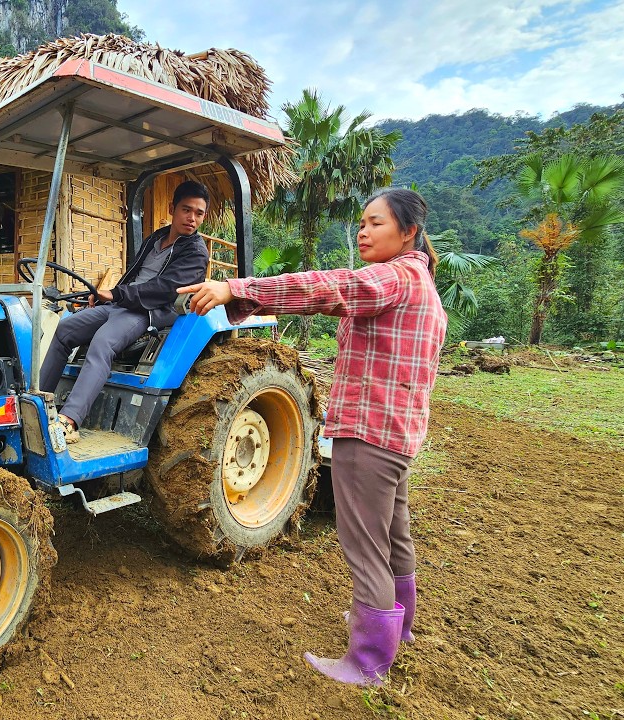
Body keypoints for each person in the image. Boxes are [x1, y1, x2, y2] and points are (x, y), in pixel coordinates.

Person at [177, 187, 446, 687]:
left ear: (408, 232)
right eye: (362, 223)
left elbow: (328, 288)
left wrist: (238, 289)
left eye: (376, 223)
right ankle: (398, 627)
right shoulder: (422, 284)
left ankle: (367, 661)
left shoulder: (392, 276)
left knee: (363, 541)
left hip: (368, 432)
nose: (364, 231)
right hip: (398, 433)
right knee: (392, 534)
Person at [39, 180, 211, 442]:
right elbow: (135, 276)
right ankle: (38, 404)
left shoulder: (196, 253)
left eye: (199, 213)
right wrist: (105, 296)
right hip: (122, 304)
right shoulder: (155, 238)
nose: (192, 218)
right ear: (172, 208)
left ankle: (69, 421)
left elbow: (165, 289)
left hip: (148, 311)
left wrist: (117, 294)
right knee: (65, 330)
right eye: (187, 210)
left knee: (103, 342)